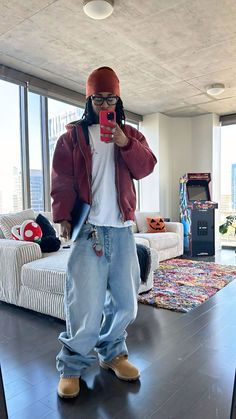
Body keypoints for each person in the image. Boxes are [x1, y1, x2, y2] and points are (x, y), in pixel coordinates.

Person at [51, 66, 157, 399]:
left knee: (126, 301)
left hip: (123, 230)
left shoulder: (130, 134)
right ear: (88, 100)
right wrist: (63, 216)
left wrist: (125, 142)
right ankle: (73, 365)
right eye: (97, 97)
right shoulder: (72, 136)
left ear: (118, 99)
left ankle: (113, 354)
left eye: (110, 97)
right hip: (89, 231)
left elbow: (146, 167)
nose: (103, 103)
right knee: (83, 302)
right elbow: (62, 179)